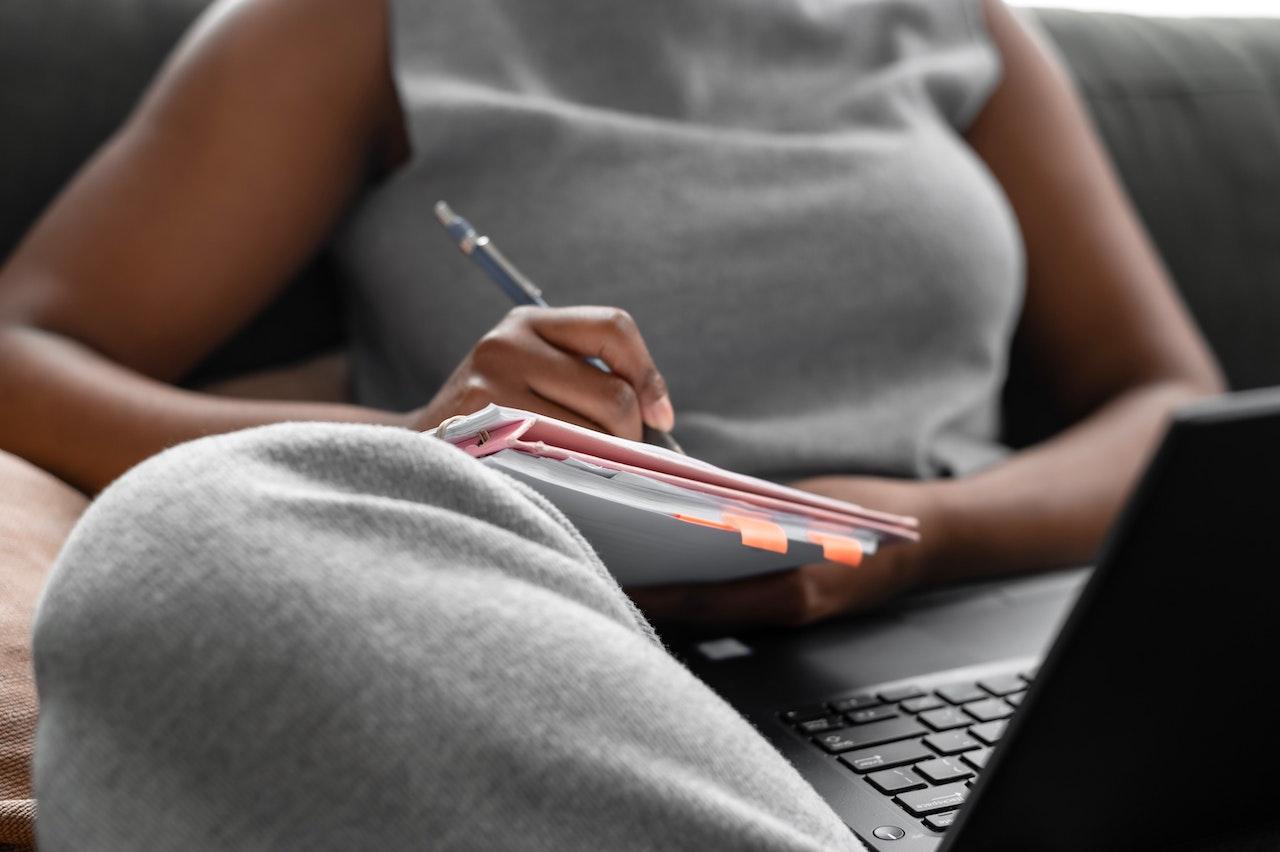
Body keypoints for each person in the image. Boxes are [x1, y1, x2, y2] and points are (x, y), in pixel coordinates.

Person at [4, 0, 1226, 843]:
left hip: (970, 628)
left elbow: (1166, 399)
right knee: (191, 546)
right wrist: (423, 450)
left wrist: (926, 528)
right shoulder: (363, 23)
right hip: (578, 639)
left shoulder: (949, 21)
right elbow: (23, 349)